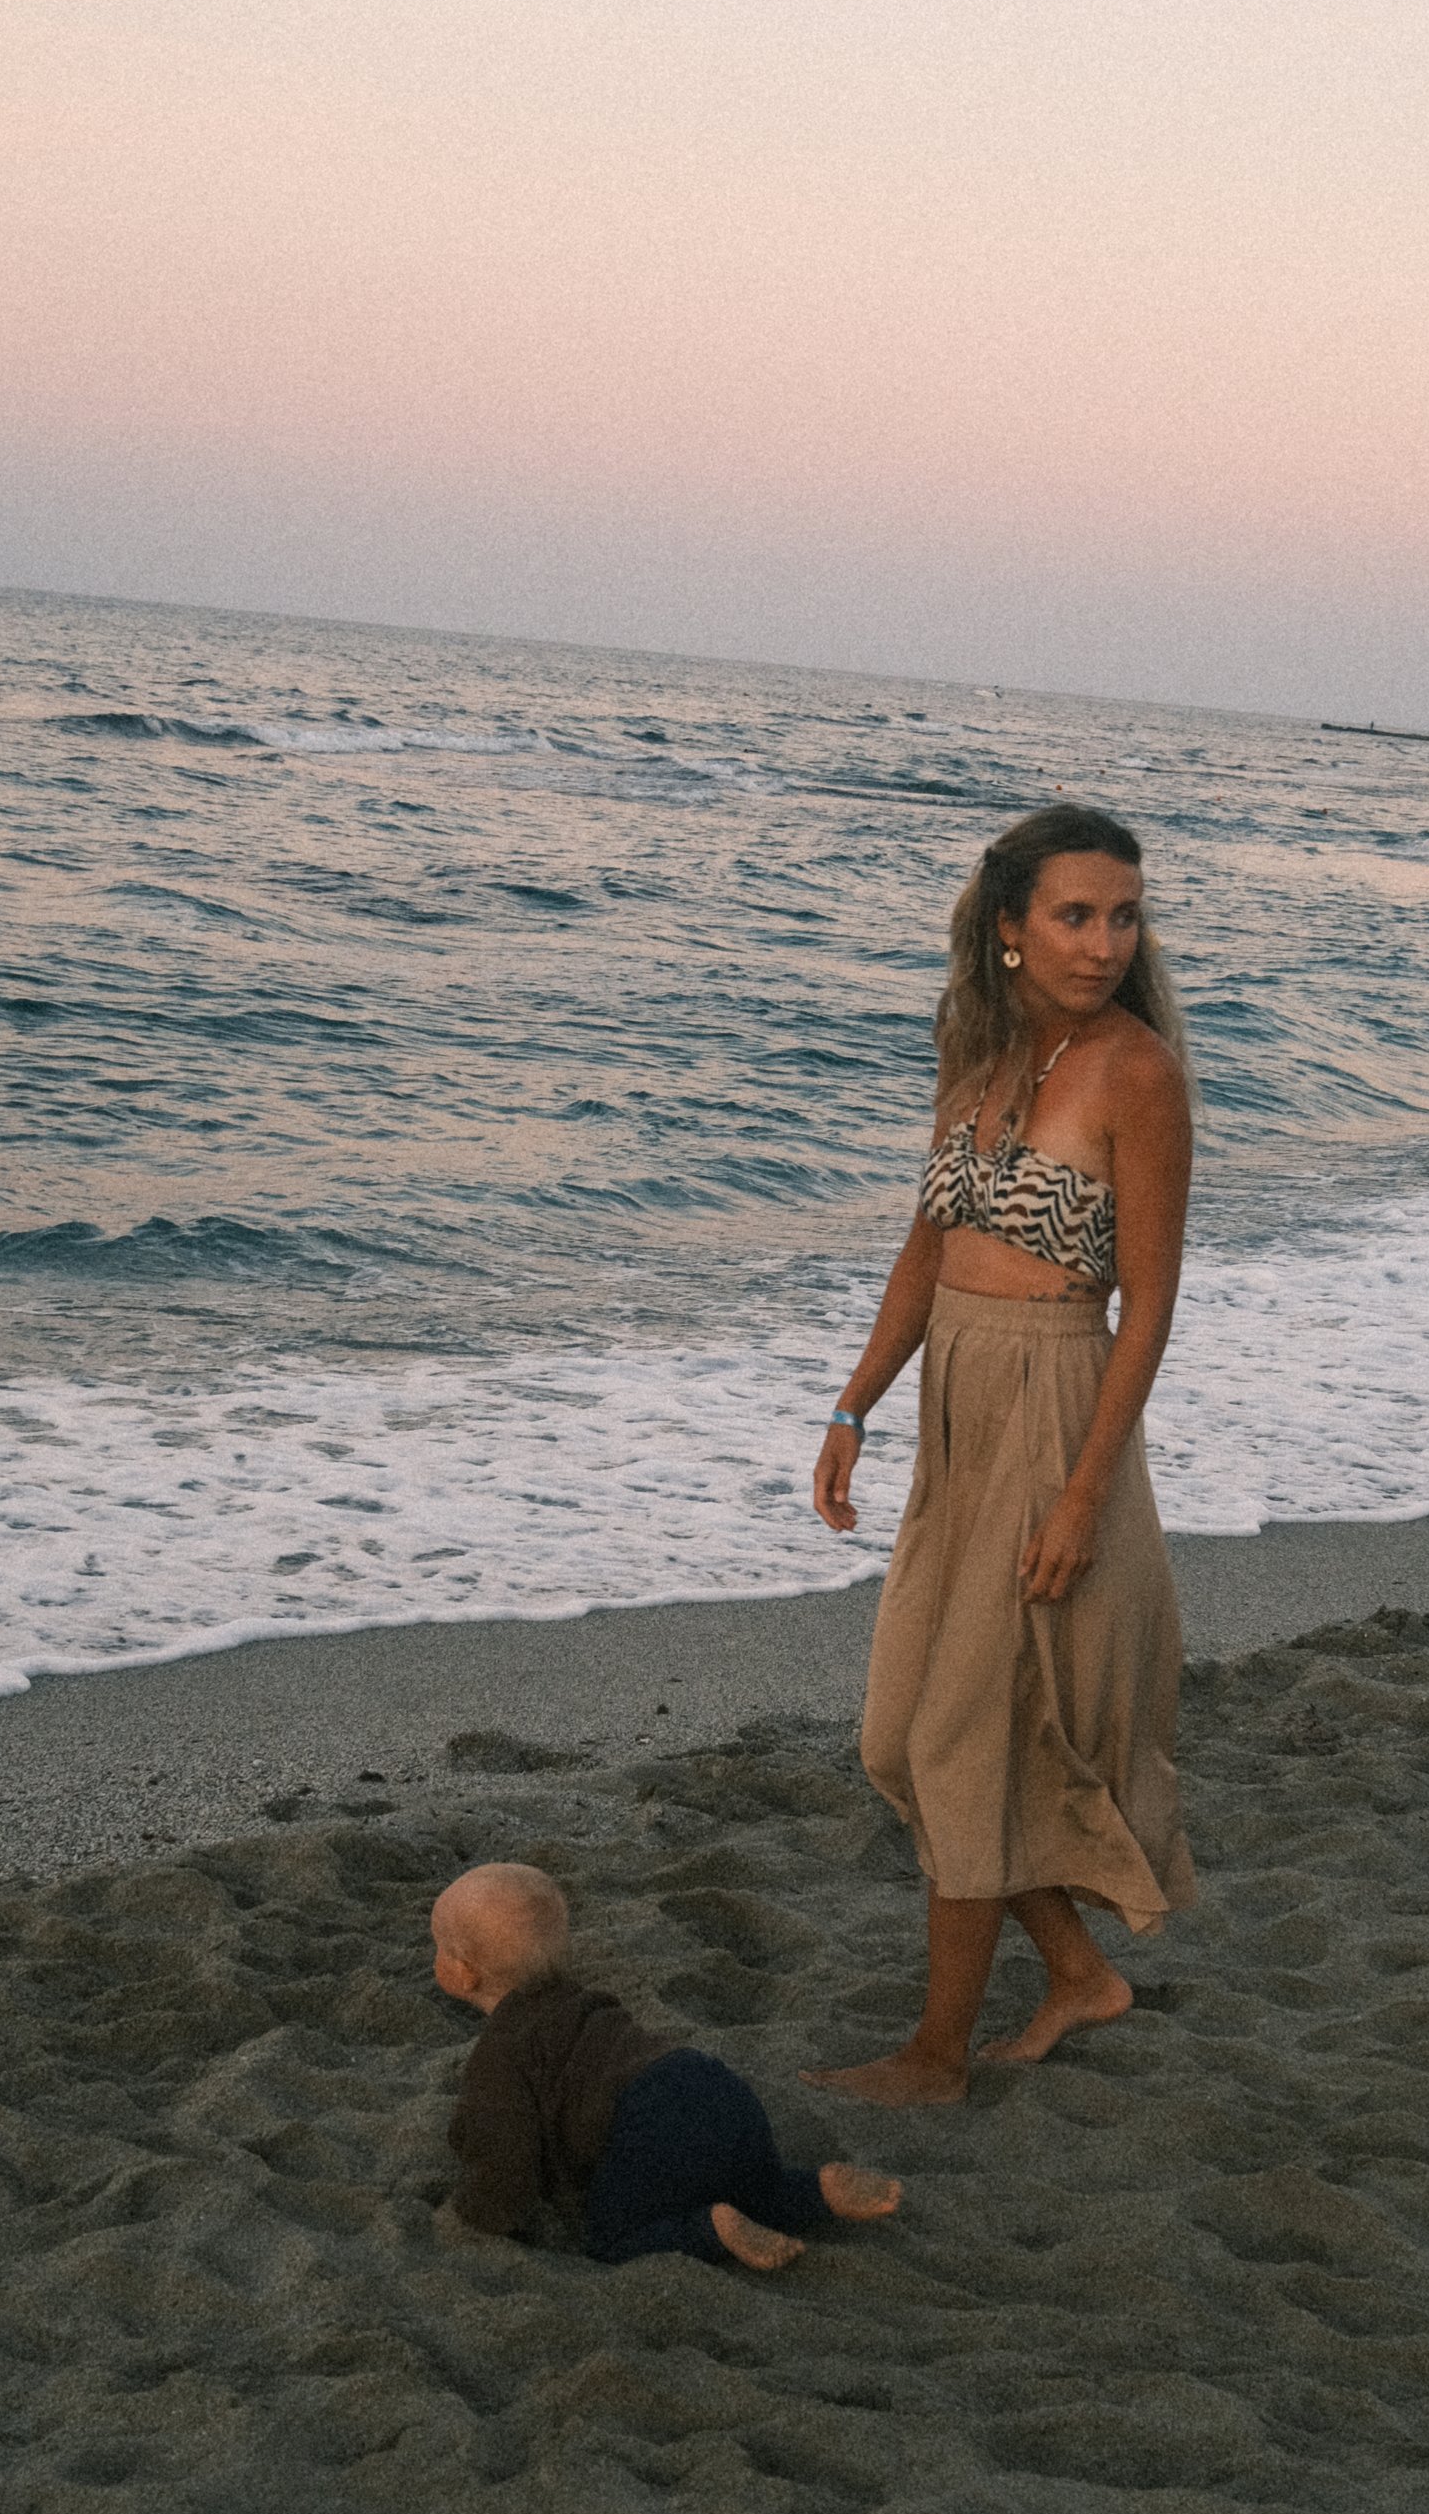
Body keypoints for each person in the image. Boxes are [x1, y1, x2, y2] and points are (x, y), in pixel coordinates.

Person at [806, 805, 1196, 2105]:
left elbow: (1150, 1304)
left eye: (1123, 914)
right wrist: (855, 1406)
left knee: (968, 1734)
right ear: (1011, 928)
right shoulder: (977, 1059)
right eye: (1076, 914)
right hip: (954, 1416)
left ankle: (935, 2057)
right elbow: (926, 1252)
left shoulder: (1136, 1073)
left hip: (1052, 1399)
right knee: (902, 1735)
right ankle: (1080, 1974)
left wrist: (1084, 1491)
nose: (1103, 941)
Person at [432, 1860, 902, 2271]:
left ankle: (710, 2230)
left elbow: (505, 2160)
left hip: (650, 2124)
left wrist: (472, 2215)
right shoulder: (586, 2003)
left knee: (615, 2238)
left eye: (439, 1946)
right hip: (713, 2085)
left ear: (464, 1971)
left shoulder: (503, 2052)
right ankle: (817, 2191)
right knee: (754, 2187)